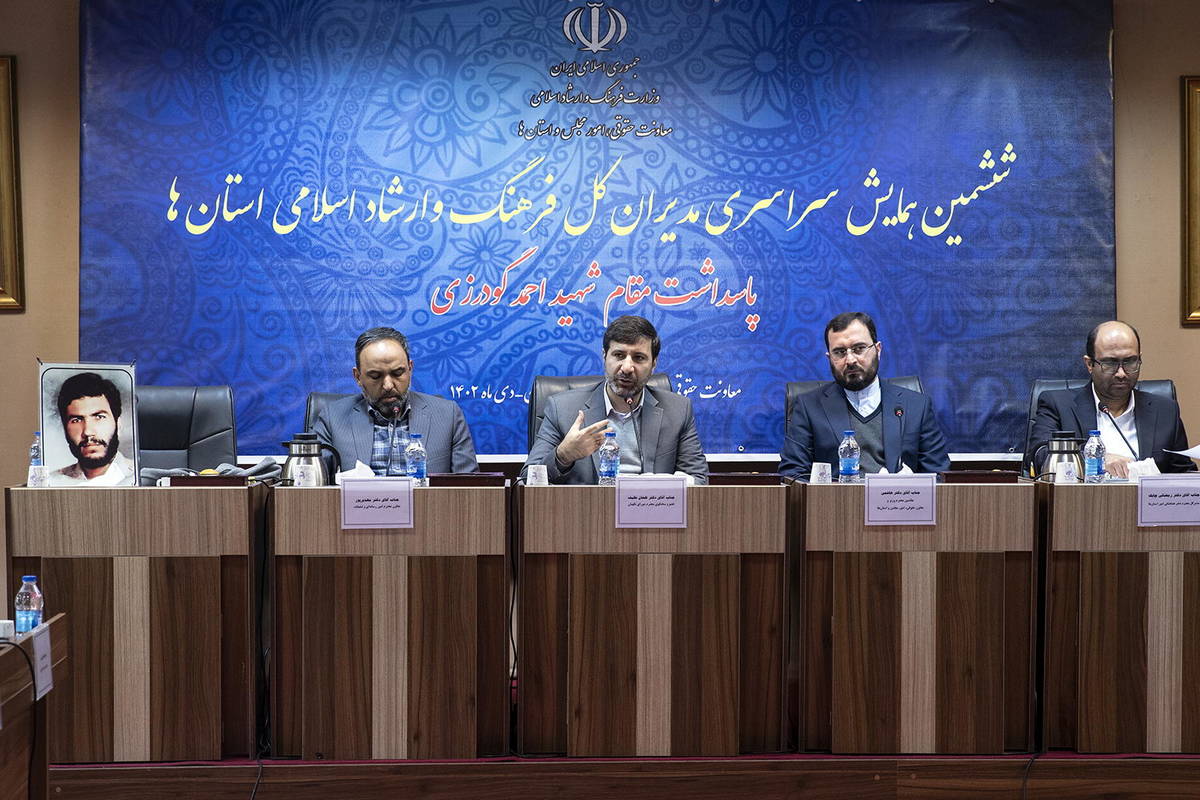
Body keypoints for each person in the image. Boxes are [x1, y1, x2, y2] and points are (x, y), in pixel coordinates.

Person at [522, 315, 709, 484]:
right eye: (619, 355)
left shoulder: (678, 410)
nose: (627, 367)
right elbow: (527, 478)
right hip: (586, 510)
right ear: (604, 356)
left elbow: (699, 480)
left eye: (639, 358)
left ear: (654, 364)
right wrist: (562, 456)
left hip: (651, 508)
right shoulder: (562, 408)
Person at [780, 311, 951, 480]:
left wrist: (909, 486)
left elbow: (938, 475)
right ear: (829, 358)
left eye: (859, 349)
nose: (850, 360)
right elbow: (793, 475)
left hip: (899, 498)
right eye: (839, 352)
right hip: (836, 498)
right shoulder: (809, 407)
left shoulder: (916, 406)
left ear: (878, 349)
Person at [1026, 320, 1195, 477]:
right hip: (1081, 499)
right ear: (1089, 364)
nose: (1121, 373)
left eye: (1130, 362)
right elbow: (1040, 456)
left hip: (1146, 500)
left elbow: (1183, 473)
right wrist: (1095, 459)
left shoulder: (1165, 411)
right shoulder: (1058, 405)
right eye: (1110, 363)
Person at [312, 326, 478, 476]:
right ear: (358, 377)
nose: (388, 385)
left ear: (410, 369)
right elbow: (314, 488)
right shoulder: (333, 418)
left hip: (429, 501)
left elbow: (469, 488)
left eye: (398, 373)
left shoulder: (448, 416)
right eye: (375, 376)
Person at [50, 371, 135, 486]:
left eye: (99, 417)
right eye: (76, 420)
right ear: (65, 429)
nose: (88, 432)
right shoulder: (52, 483)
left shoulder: (139, 477)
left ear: (118, 424)